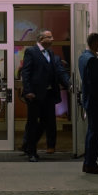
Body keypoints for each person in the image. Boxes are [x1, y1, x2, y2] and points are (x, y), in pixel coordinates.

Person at [17, 28, 69, 161]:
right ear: (41, 39)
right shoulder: (31, 51)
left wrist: (69, 84)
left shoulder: (50, 53)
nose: (52, 39)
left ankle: (29, 145)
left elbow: (58, 71)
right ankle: (32, 152)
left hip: (49, 95)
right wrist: (28, 91)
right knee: (33, 123)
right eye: (49, 37)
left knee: (46, 122)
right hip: (35, 95)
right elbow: (26, 72)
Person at [78, 31, 98, 174]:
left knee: (92, 132)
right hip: (95, 102)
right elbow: (95, 81)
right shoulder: (91, 59)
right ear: (95, 42)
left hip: (90, 100)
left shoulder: (83, 57)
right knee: (94, 134)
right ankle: (90, 163)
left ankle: (89, 162)